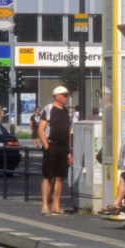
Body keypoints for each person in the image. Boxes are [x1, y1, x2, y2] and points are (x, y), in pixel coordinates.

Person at [37, 86, 73, 215]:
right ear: (57, 96)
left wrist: (69, 151)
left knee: (59, 177)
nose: (66, 97)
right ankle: (45, 205)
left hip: (63, 147)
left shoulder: (65, 112)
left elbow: (68, 132)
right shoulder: (49, 109)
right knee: (48, 176)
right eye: (64, 95)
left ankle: (56, 206)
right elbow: (41, 129)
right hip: (51, 144)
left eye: (67, 95)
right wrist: (46, 146)